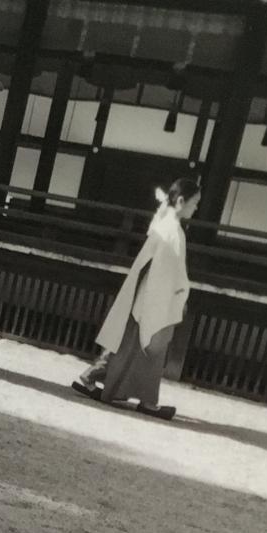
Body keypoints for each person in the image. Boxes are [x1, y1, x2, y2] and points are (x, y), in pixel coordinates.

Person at [72, 178, 200, 420]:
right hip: (154, 298)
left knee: (129, 346)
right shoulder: (172, 231)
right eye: (194, 203)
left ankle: (93, 378)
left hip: (145, 295)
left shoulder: (165, 224)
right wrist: (175, 301)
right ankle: (147, 402)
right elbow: (166, 273)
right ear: (181, 201)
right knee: (148, 350)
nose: (196, 209)